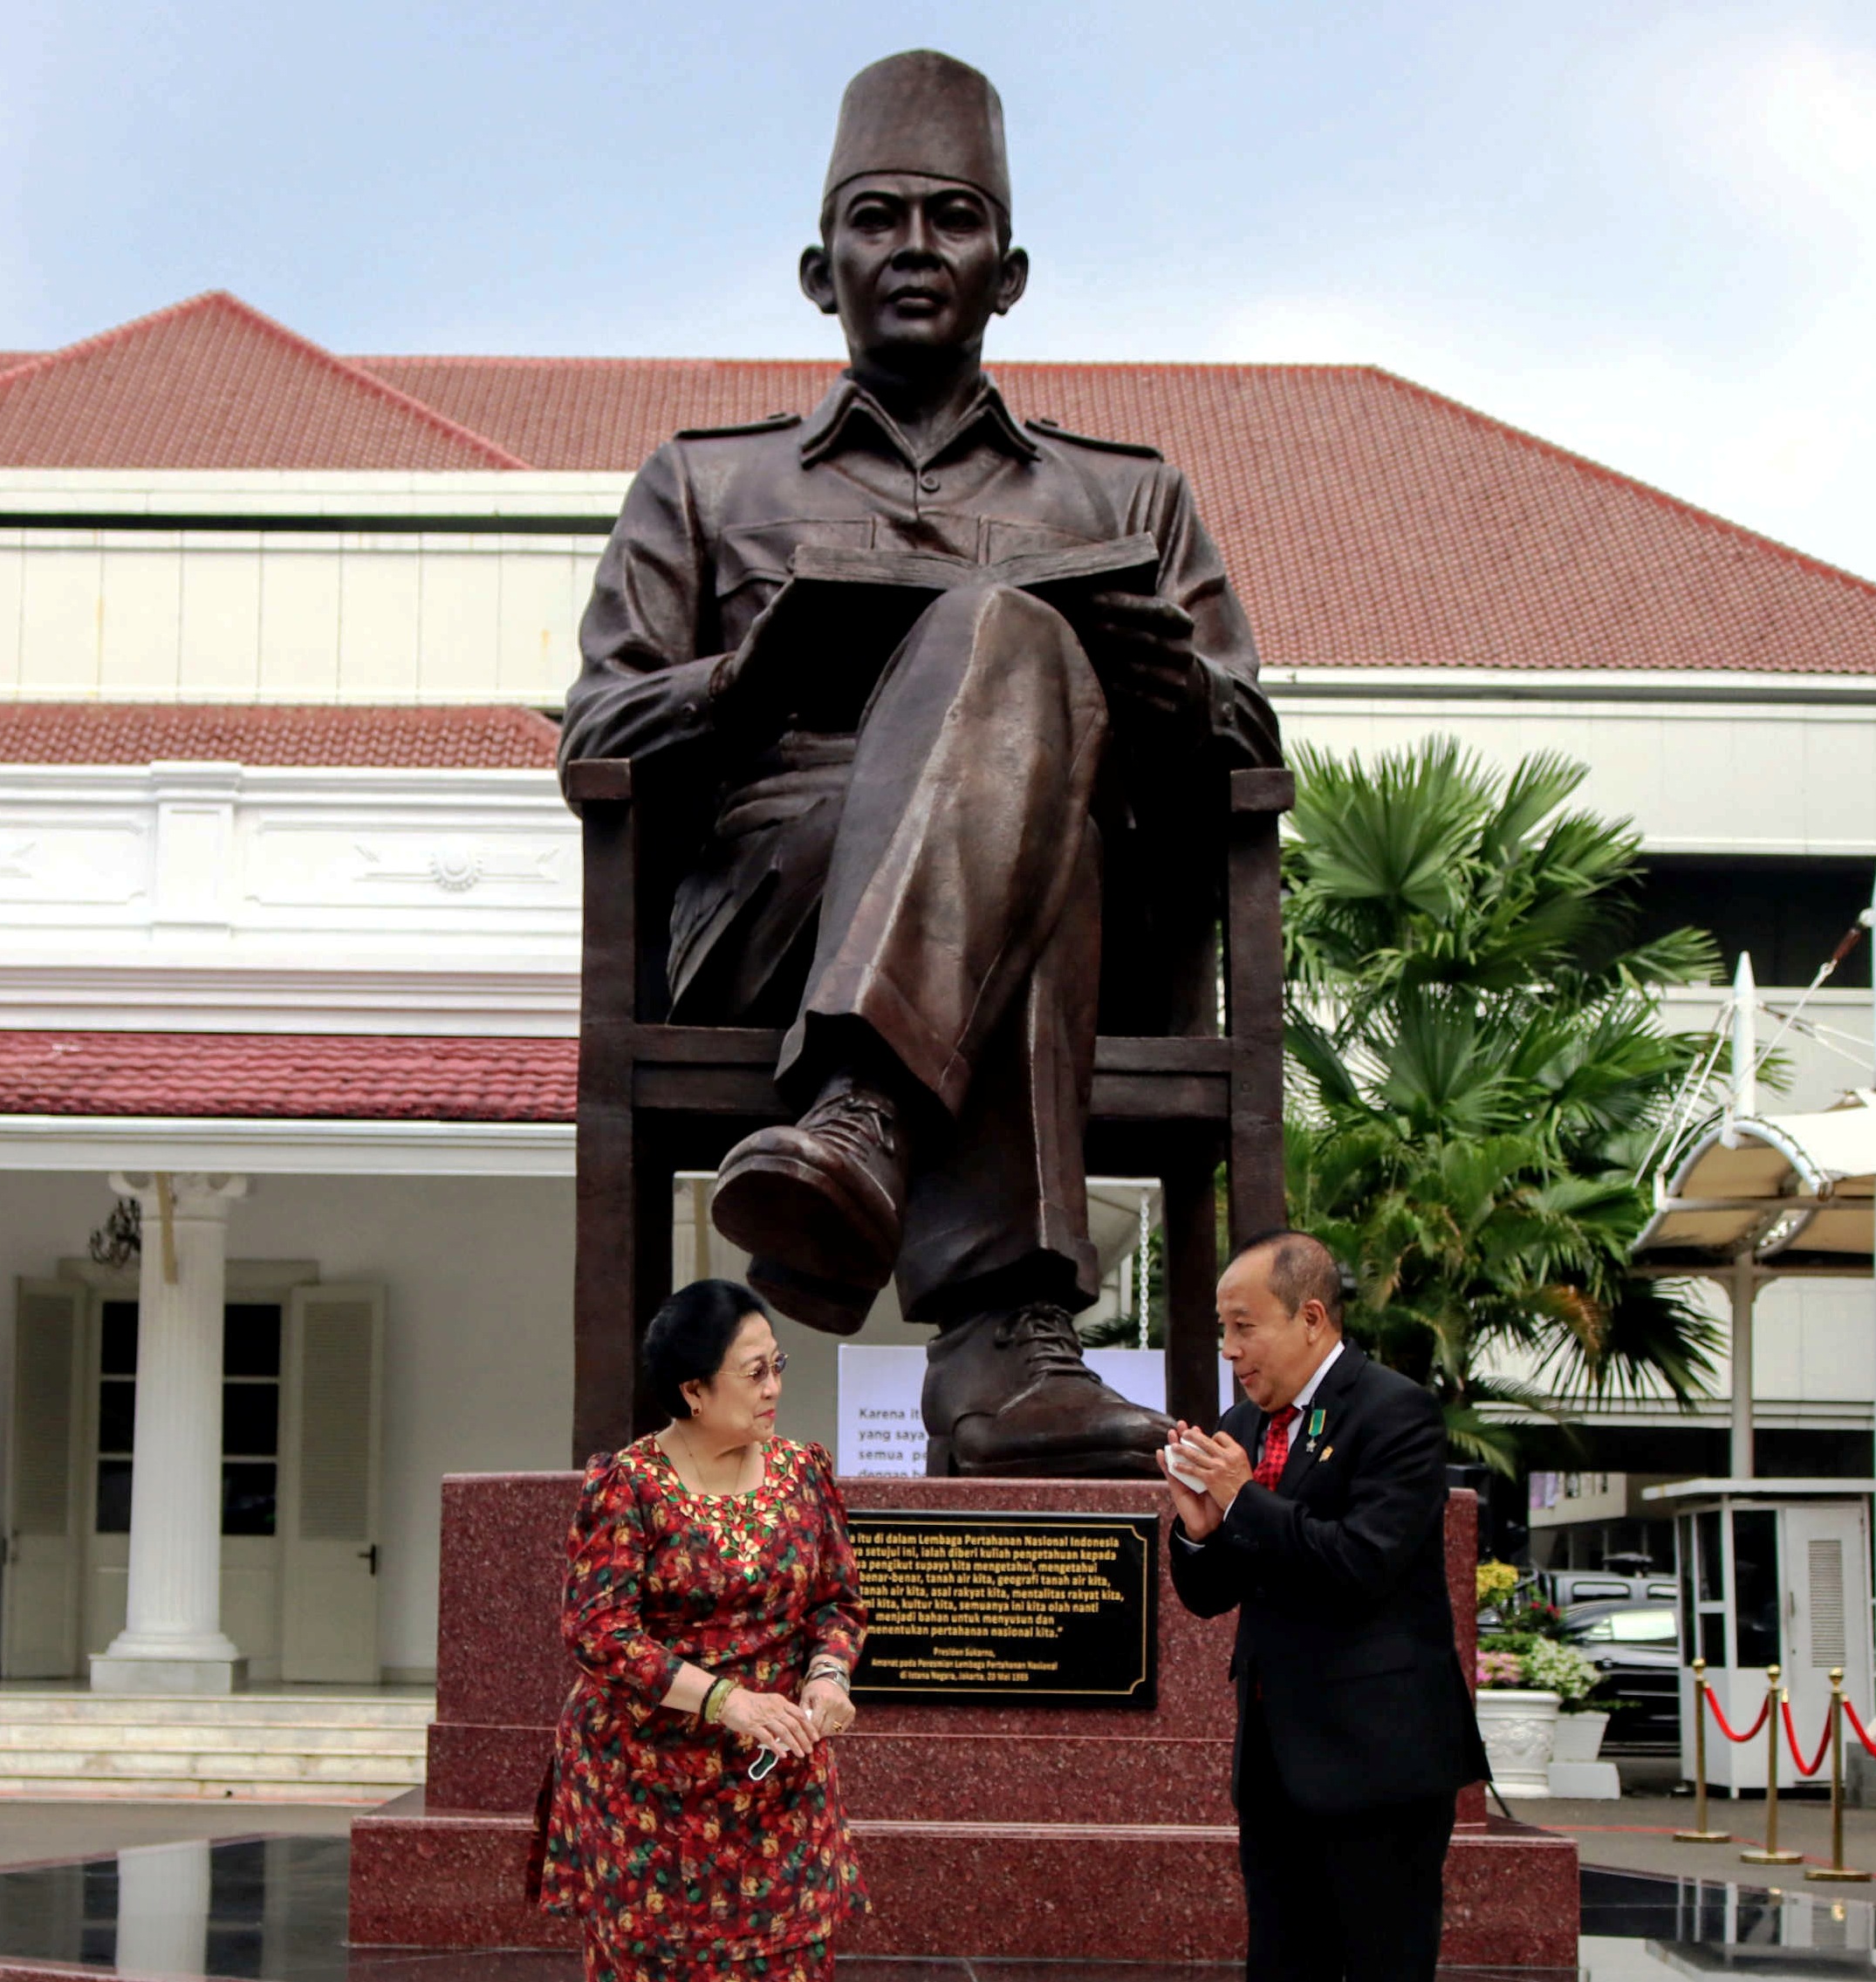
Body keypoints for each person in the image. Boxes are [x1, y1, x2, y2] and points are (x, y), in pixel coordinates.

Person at [560, 48, 1282, 1476]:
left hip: (1075, 913)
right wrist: (745, 673)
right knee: (1031, 806)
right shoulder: (704, 484)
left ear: (1006, 272)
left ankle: (863, 1115)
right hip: (778, 899)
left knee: (1019, 689)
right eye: (874, 218)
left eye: (948, 218)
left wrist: (1162, 691)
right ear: (817, 270)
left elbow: (1251, 744)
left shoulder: (1123, 491)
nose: (909, 248)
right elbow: (597, 730)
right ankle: (1004, 1352)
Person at [1164, 1230, 1489, 1982]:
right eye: (1223, 1330)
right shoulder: (1242, 1426)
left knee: (1381, 1964)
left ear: (1311, 1318)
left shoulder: (1394, 1412)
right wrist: (1200, 1530)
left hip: (1380, 1764)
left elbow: (1360, 1563)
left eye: (1246, 1328)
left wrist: (1245, 1498)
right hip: (1278, 1765)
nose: (1230, 1350)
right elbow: (1210, 1596)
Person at [537, 1280, 867, 1982]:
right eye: (754, 1373)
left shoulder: (804, 1473)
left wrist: (828, 1675)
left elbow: (836, 1602)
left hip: (779, 1780)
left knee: (793, 1959)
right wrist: (729, 1702)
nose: (773, 1386)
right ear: (693, 1390)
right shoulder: (629, 1486)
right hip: (648, 1792)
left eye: (779, 1366)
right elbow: (600, 1633)